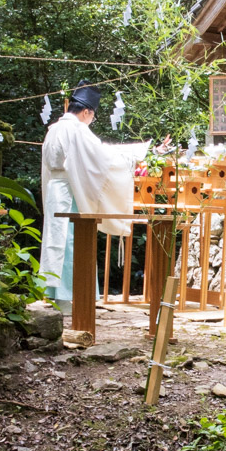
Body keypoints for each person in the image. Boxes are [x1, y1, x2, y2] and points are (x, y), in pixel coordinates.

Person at [39, 83, 166, 310]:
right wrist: (142, 152)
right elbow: (105, 156)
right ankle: (73, 300)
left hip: (56, 190)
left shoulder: (54, 129)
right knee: (72, 243)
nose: (91, 121)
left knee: (56, 241)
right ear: (86, 112)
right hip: (71, 191)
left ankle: (58, 296)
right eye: (91, 116)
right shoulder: (76, 130)